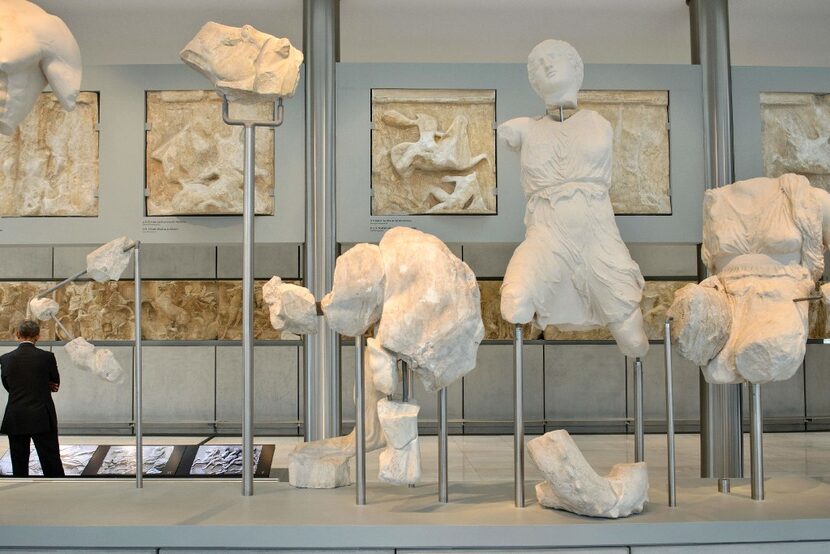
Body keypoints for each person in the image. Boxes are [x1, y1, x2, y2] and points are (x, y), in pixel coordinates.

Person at [497, 39, 649, 357]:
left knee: (634, 344)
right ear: (532, 81)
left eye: (554, 58)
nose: (547, 65)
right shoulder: (523, 129)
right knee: (516, 304)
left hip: (597, 235)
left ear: (576, 67)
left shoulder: (597, 122)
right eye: (538, 64)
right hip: (545, 235)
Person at [1, 320, 64, 477]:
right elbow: (55, 383)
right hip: (41, 414)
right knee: (50, 459)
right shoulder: (47, 357)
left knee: (18, 460)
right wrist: (43, 384)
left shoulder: (6, 358)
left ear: (17, 335)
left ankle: (22, 492)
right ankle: (59, 492)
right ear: (38, 336)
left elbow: (7, 384)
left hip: (16, 414)